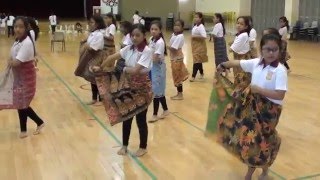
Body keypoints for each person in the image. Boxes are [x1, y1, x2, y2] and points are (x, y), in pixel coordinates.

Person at [216, 33, 287, 180]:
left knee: (264, 141)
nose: (271, 53)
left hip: (269, 112)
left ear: (279, 50)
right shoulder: (257, 63)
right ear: (261, 49)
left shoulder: (280, 70)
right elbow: (238, 63)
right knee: (253, 140)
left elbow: (280, 95)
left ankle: (264, 171)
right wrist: (223, 64)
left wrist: (260, 90)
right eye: (268, 49)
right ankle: (250, 173)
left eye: (275, 49)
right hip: (252, 110)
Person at [93, 24, 153, 157]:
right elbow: (110, 58)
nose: (135, 37)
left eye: (138, 35)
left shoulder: (147, 51)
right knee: (126, 116)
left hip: (142, 89)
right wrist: (100, 67)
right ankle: (124, 146)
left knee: (140, 119)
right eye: (133, 35)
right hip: (128, 87)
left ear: (144, 36)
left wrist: (124, 69)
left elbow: (136, 70)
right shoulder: (128, 48)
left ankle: (143, 147)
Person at [1, 16, 45, 138]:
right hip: (18, 77)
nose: (17, 29)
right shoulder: (18, 40)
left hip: (26, 78)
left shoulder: (26, 43)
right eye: (16, 26)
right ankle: (34, 125)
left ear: (26, 28)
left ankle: (27, 129)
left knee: (20, 103)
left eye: (20, 27)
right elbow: (12, 58)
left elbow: (16, 62)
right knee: (20, 103)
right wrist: (11, 61)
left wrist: (10, 61)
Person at [74, 15, 106, 105]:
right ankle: (94, 98)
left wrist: (86, 45)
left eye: (92, 22)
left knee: (97, 78)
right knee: (92, 78)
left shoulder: (100, 34)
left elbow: (93, 47)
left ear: (98, 24)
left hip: (97, 57)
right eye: (90, 22)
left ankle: (101, 99)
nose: (90, 24)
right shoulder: (94, 33)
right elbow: (89, 43)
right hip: (91, 57)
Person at [148, 20, 169, 122]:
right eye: (152, 29)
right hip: (152, 67)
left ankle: (155, 114)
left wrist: (146, 58)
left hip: (158, 68)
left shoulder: (160, 42)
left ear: (160, 30)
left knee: (156, 92)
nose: (153, 31)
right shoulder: (151, 39)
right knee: (158, 91)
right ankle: (165, 110)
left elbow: (155, 58)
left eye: (156, 29)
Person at [168, 19, 189, 100]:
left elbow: (173, 48)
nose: (176, 27)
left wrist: (166, 47)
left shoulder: (180, 36)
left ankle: (180, 94)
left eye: (178, 25)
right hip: (174, 58)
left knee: (177, 76)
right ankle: (179, 93)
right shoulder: (174, 35)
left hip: (177, 58)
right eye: (175, 25)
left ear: (182, 27)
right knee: (176, 75)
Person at [190, 12, 208, 82]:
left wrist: (194, 36)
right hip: (195, 45)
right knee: (198, 60)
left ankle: (193, 76)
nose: (195, 18)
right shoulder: (195, 26)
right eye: (194, 17)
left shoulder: (201, 26)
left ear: (200, 18)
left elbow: (204, 36)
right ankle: (201, 73)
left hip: (200, 46)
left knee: (196, 61)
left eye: (197, 17)